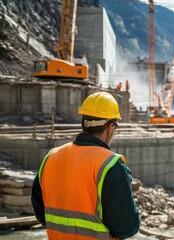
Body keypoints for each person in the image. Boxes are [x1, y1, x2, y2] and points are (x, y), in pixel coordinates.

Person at [31, 91, 140, 239]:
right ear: (109, 127)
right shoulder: (110, 165)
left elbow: (41, 213)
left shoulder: (51, 157)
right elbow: (127, 227)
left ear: (83, 123)